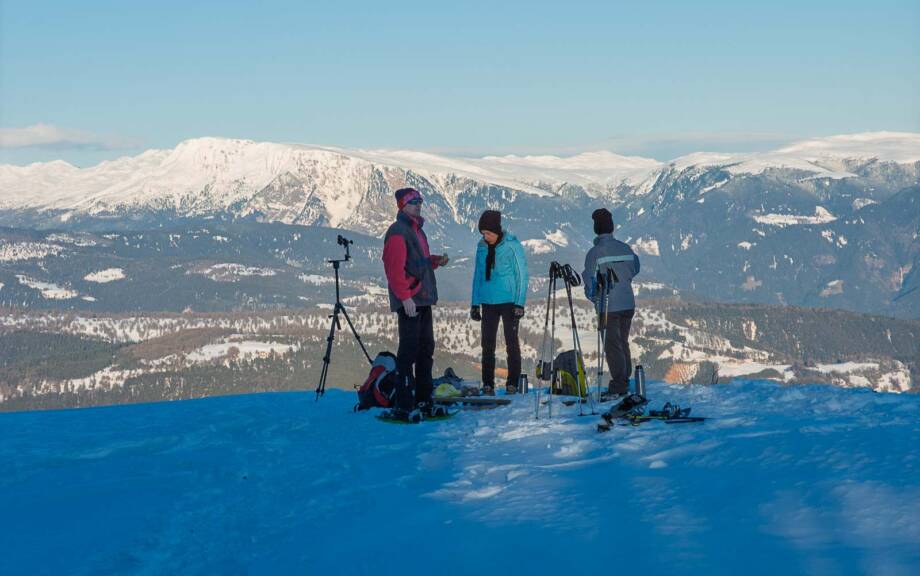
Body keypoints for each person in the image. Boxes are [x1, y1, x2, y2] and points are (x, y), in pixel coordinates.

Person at [382, 187, 449, 417]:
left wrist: (434, 261)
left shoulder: (417, 230)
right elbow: (394, 269)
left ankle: (423, 398)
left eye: (419, 201)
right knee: (408, 352)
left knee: (425, 350)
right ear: (402, 205)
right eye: (413, 202)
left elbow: (416, 262)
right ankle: (404, 401)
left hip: (422, 299)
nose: (418, 205)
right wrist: (405, 297)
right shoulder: (398, 232)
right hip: (411, 300)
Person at [582, 208, 640, 401]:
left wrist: (594, 298)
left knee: (612, 345)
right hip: (627, 302)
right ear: (612, 227)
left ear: (595, 229)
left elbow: (590, 283)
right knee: (622, 341)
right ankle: (624, 379)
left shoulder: (595, 253)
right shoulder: (626, 248)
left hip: (608, 305)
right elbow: (635, 268)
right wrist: (623, 280)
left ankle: (619, 385)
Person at [470, 210, 529, 395]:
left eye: (488, 233)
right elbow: (478, 276)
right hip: (488, 301)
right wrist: (475, 303)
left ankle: (512, 383)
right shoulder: (481, 247)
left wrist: (519, 303)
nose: (485, 237)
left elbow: (522, 275)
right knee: (487, 345)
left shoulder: (512, 245)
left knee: (512, 343)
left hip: (509, 301)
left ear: (497, 231)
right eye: (483, 233)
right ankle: (488, 384)